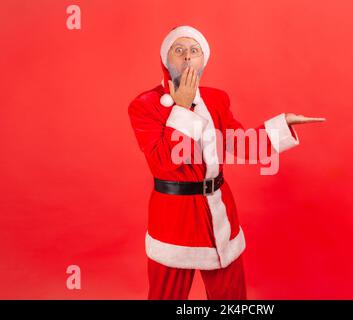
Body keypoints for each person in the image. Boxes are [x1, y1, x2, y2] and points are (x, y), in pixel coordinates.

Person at [128, 25, 326, 300]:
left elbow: (240, 143)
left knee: (231, 298)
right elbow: (163, 162)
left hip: (220, 213)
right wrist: (182, 109)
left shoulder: (216, 99)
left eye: (194, 51)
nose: (187, 57)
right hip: (174, 218)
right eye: (179, 50)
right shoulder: (144, 105)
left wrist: (282, 126)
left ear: (203, 61)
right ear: (165, 58)